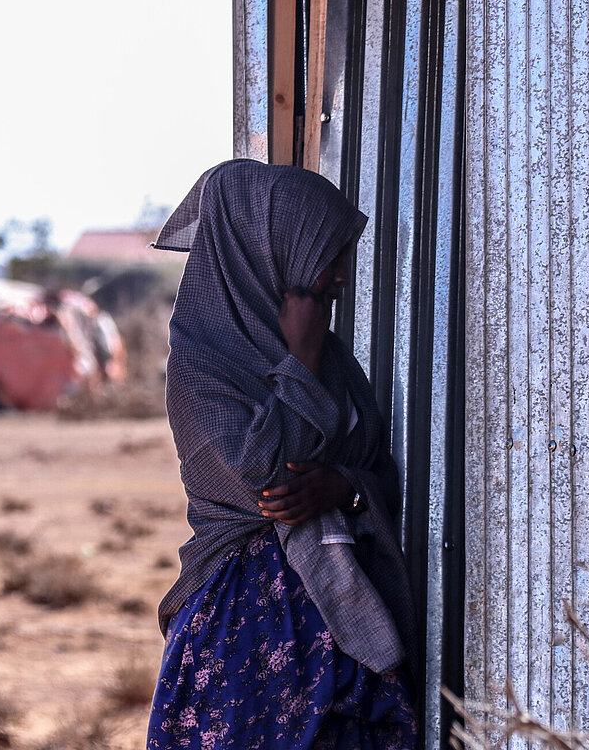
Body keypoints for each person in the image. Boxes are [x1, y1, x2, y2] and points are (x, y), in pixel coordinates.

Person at [146, 159, 418, 749]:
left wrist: (344, 486)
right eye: (330, 253)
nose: (343, 275)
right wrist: (299, 363)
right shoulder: (202, 367)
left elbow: (374, 466)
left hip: (346, 620)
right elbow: (272, 479)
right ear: (268, 250)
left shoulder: (333, 357)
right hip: (243, 634)